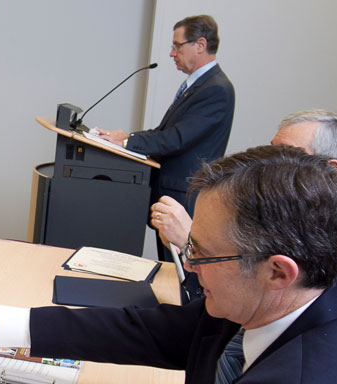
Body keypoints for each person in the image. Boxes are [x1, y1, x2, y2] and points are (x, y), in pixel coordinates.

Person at [0, 146, 337, 383]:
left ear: (278, 271)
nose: (190, 266)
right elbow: (152, 331)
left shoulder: (316, 373)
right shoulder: (289, 301)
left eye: (202, 252)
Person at [152, 109, 337, 287]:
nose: (268, 163)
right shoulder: (282, 214)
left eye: (287, 154)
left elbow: (242, 304)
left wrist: (190, 242)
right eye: (272, 150)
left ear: (330, 170)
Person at [97, 14, 235, 263]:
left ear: (200, 45)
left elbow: (177, 138)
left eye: (176, 45)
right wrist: (127, 137)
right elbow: (165, 132)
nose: (172, 53)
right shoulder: (199, 85)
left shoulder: (216, 89)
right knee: (170, 268)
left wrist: (128, 143)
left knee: (179, 272)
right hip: (172, 194)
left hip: (185, 198)